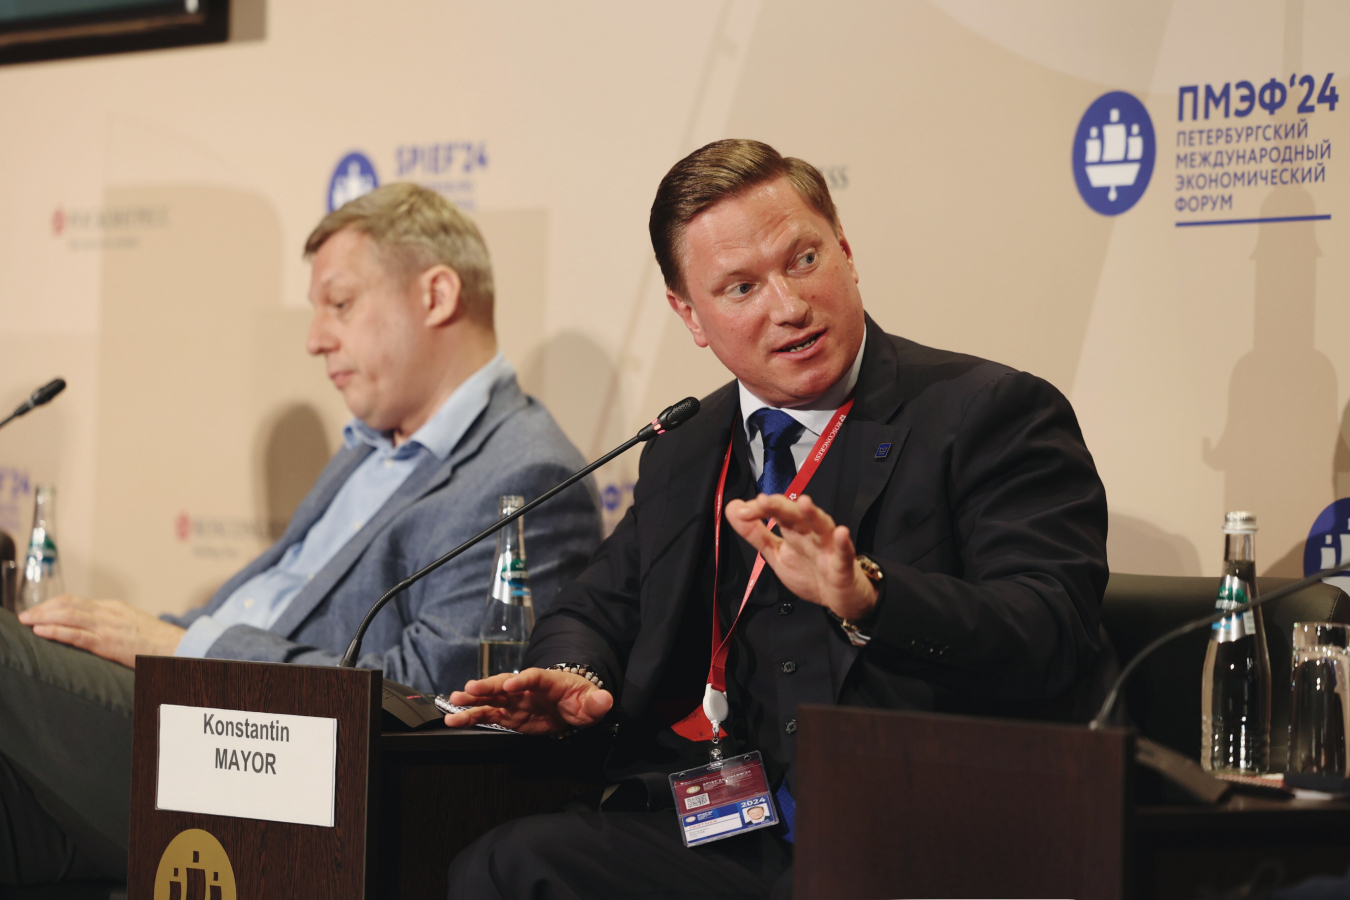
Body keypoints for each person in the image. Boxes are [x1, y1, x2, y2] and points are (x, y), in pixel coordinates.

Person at [443, 140, 1110, 898]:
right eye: (741, 287)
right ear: (690, 316)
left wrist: (873, 598)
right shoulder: (687, 446)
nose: (789, 307)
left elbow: (1051, 626)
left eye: (804, 260)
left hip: (913, 835)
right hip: (732, 831)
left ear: (846, 252)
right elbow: (594, 609)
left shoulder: (988, 413)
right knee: (507, 867)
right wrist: (575, 674)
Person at [0, 183, 602, 887]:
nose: (315, 339)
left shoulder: (527, 475)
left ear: (437, 297)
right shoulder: (369, 446)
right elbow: (265, 607)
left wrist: (180, 646)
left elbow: (431, 700)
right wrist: (134, 638)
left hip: (261, 759)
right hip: (196, 716)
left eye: (339, 304)